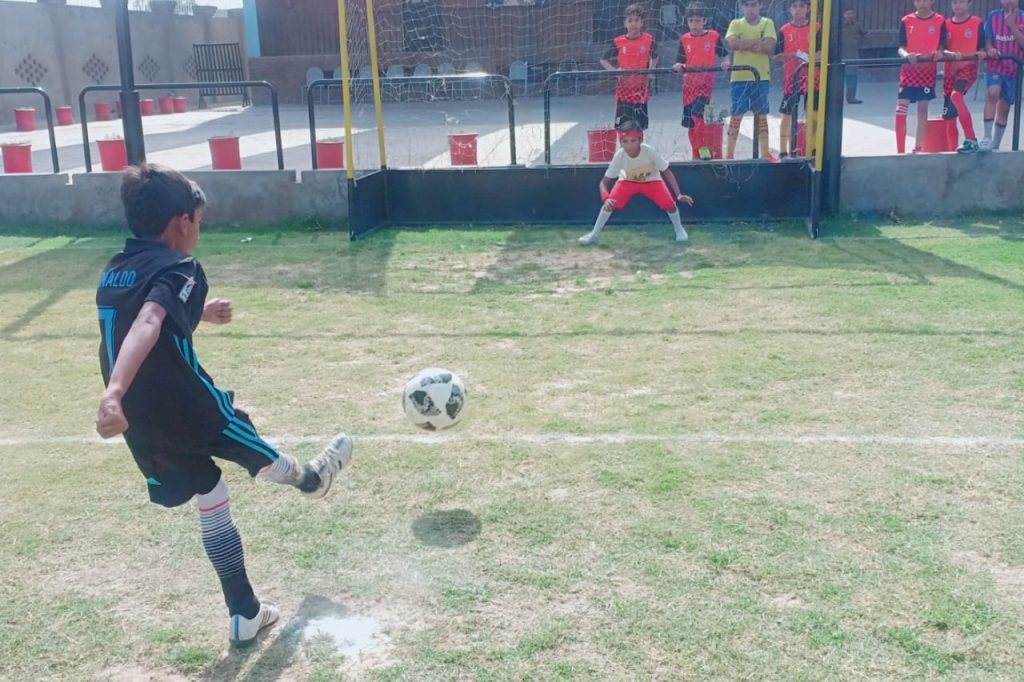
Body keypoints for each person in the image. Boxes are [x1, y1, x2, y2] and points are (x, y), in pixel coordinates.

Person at [95, 163, 352, 647]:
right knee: (258, 453)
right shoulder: (180, 265)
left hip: (140, 422)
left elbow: (144, 319)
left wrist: (197, 314)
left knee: (210, 491)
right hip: (191, 408)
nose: (199, 232)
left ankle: (244, 612)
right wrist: (113, 390)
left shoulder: (116, 268)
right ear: (182, 223)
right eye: (199, 221)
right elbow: (149, 321)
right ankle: (310, 479)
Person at [578, 120, 694, 246]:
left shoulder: (649, 151)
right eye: (625, 142)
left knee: (670, 205)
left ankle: (679, 229)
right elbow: (603, 183)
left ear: (640, 140)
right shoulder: (619, 156)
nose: (629, 146)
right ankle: (594, 235)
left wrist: (678, 194)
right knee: (609, 204)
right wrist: (605, 198)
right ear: (620, 142)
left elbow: (667, 172)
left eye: (633, 141)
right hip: (627, 181)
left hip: (652, 181)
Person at [673, 2, 730, 160]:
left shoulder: (713, 36)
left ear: (704, 21)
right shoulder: (684, 39)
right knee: (691, 125)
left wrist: (726, 62)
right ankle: (695, 154)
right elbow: (679, 61)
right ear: (687, 21)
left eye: (698, 21)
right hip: (688, 88)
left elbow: (724, 54)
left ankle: (703, 150)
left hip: (705, 87)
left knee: (699, 119)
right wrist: (678, 66)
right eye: (691, 21)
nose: (694, 24)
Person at [725, 0, 777, 160]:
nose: (750, 8)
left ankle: (765, 153)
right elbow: (733, 44)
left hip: (761, 76)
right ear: (742, 7)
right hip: (740, 77)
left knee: (761, 114)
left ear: (760, 5)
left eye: (753, 5)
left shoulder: (768, 22)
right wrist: (758, 41)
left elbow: (768, 47)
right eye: (747, 5)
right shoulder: (735, 23)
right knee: (736, 114)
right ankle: (729, 155)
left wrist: (743, 43)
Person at [896, 0, 947, 154]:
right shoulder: (906, 20)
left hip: (927, 72)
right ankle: (900, 151)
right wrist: (906, 55)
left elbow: (942, 46)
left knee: (922, 109)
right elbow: (900, 47)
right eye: (918, 0)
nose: (922, 3)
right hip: (908, 72)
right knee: (901, 108)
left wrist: (940, 53)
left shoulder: (940, 20)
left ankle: (918, 148)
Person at [601, 3, 658, 130]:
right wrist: (615, 72)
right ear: (625, 23)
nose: (633, 24)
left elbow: (655, 56)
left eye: (636, 20)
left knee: (639, 128)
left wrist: (650, 71)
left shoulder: (649, 40)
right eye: (630, 20)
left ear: (641, 22)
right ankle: (624, 149)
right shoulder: (618, 41)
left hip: (641, 91)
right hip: (623, 92)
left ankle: (639, 149)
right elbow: (603, 60)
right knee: (623, 128)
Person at [774, 0, 820, 158]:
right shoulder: (784, 30)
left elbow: (821, 51)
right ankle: (783, 150)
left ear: (808, 8)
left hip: (814, 78)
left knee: (814, 113)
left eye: (802, 6)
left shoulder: (817, 27)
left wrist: (810, 58)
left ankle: (813, 149)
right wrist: (793, 55)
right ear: (790, 9)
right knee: (787, 113)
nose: (798, 9)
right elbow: (777, 55)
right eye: (795, 6)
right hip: (791, 79)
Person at [942, 0, 985, 153]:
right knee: (949, 116)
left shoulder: (977, 22)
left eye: (961, 2)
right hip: (950, 70)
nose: (957, 5)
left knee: (956, 96)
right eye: (954, 2)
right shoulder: (945, 24)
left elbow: (982, 47)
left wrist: (981, 53)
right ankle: (951, 152)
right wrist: (951, 55)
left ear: (969, 3)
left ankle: (971, 139)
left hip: (968, 68)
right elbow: (942, 49)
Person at [980, 0, 1024, 150]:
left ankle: (996, 145)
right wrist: (990, 48)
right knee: (993, 92)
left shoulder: (1023, 18)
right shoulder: (993, 16)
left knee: (1004, 107)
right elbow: (987, 40)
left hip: (1013, 68)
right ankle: (986, 137)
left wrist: (1012, 25)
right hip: (995, 65)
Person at [841, 7, 868, 104]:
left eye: (852, 14)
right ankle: (837, 99)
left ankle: (851, 98)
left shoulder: (857, 25)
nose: (850, 16)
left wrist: (859, 43)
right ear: (844, 15)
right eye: (848, 14)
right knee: (838, 78)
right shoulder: (839, 26)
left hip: (853, 55)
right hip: (840, 55)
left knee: (852, 78)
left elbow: (865, 35)